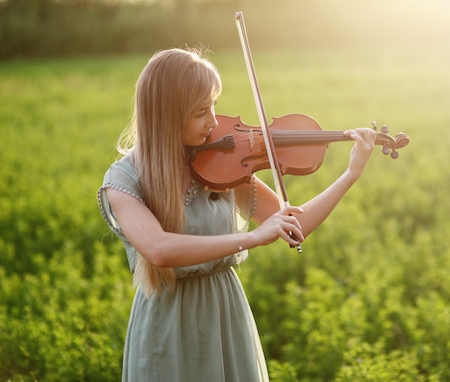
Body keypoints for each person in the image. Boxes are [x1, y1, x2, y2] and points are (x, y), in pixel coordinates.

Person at [97, 47, 377, 382]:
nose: (215, 121)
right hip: (167, 327)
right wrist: (252, 238)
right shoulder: (125, 179)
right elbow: (158, 249)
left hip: (225, 314)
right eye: (202, 111)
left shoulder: (220, 163)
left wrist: (350, 175)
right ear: (168, 114)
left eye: (214, 105)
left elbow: (295, 223)